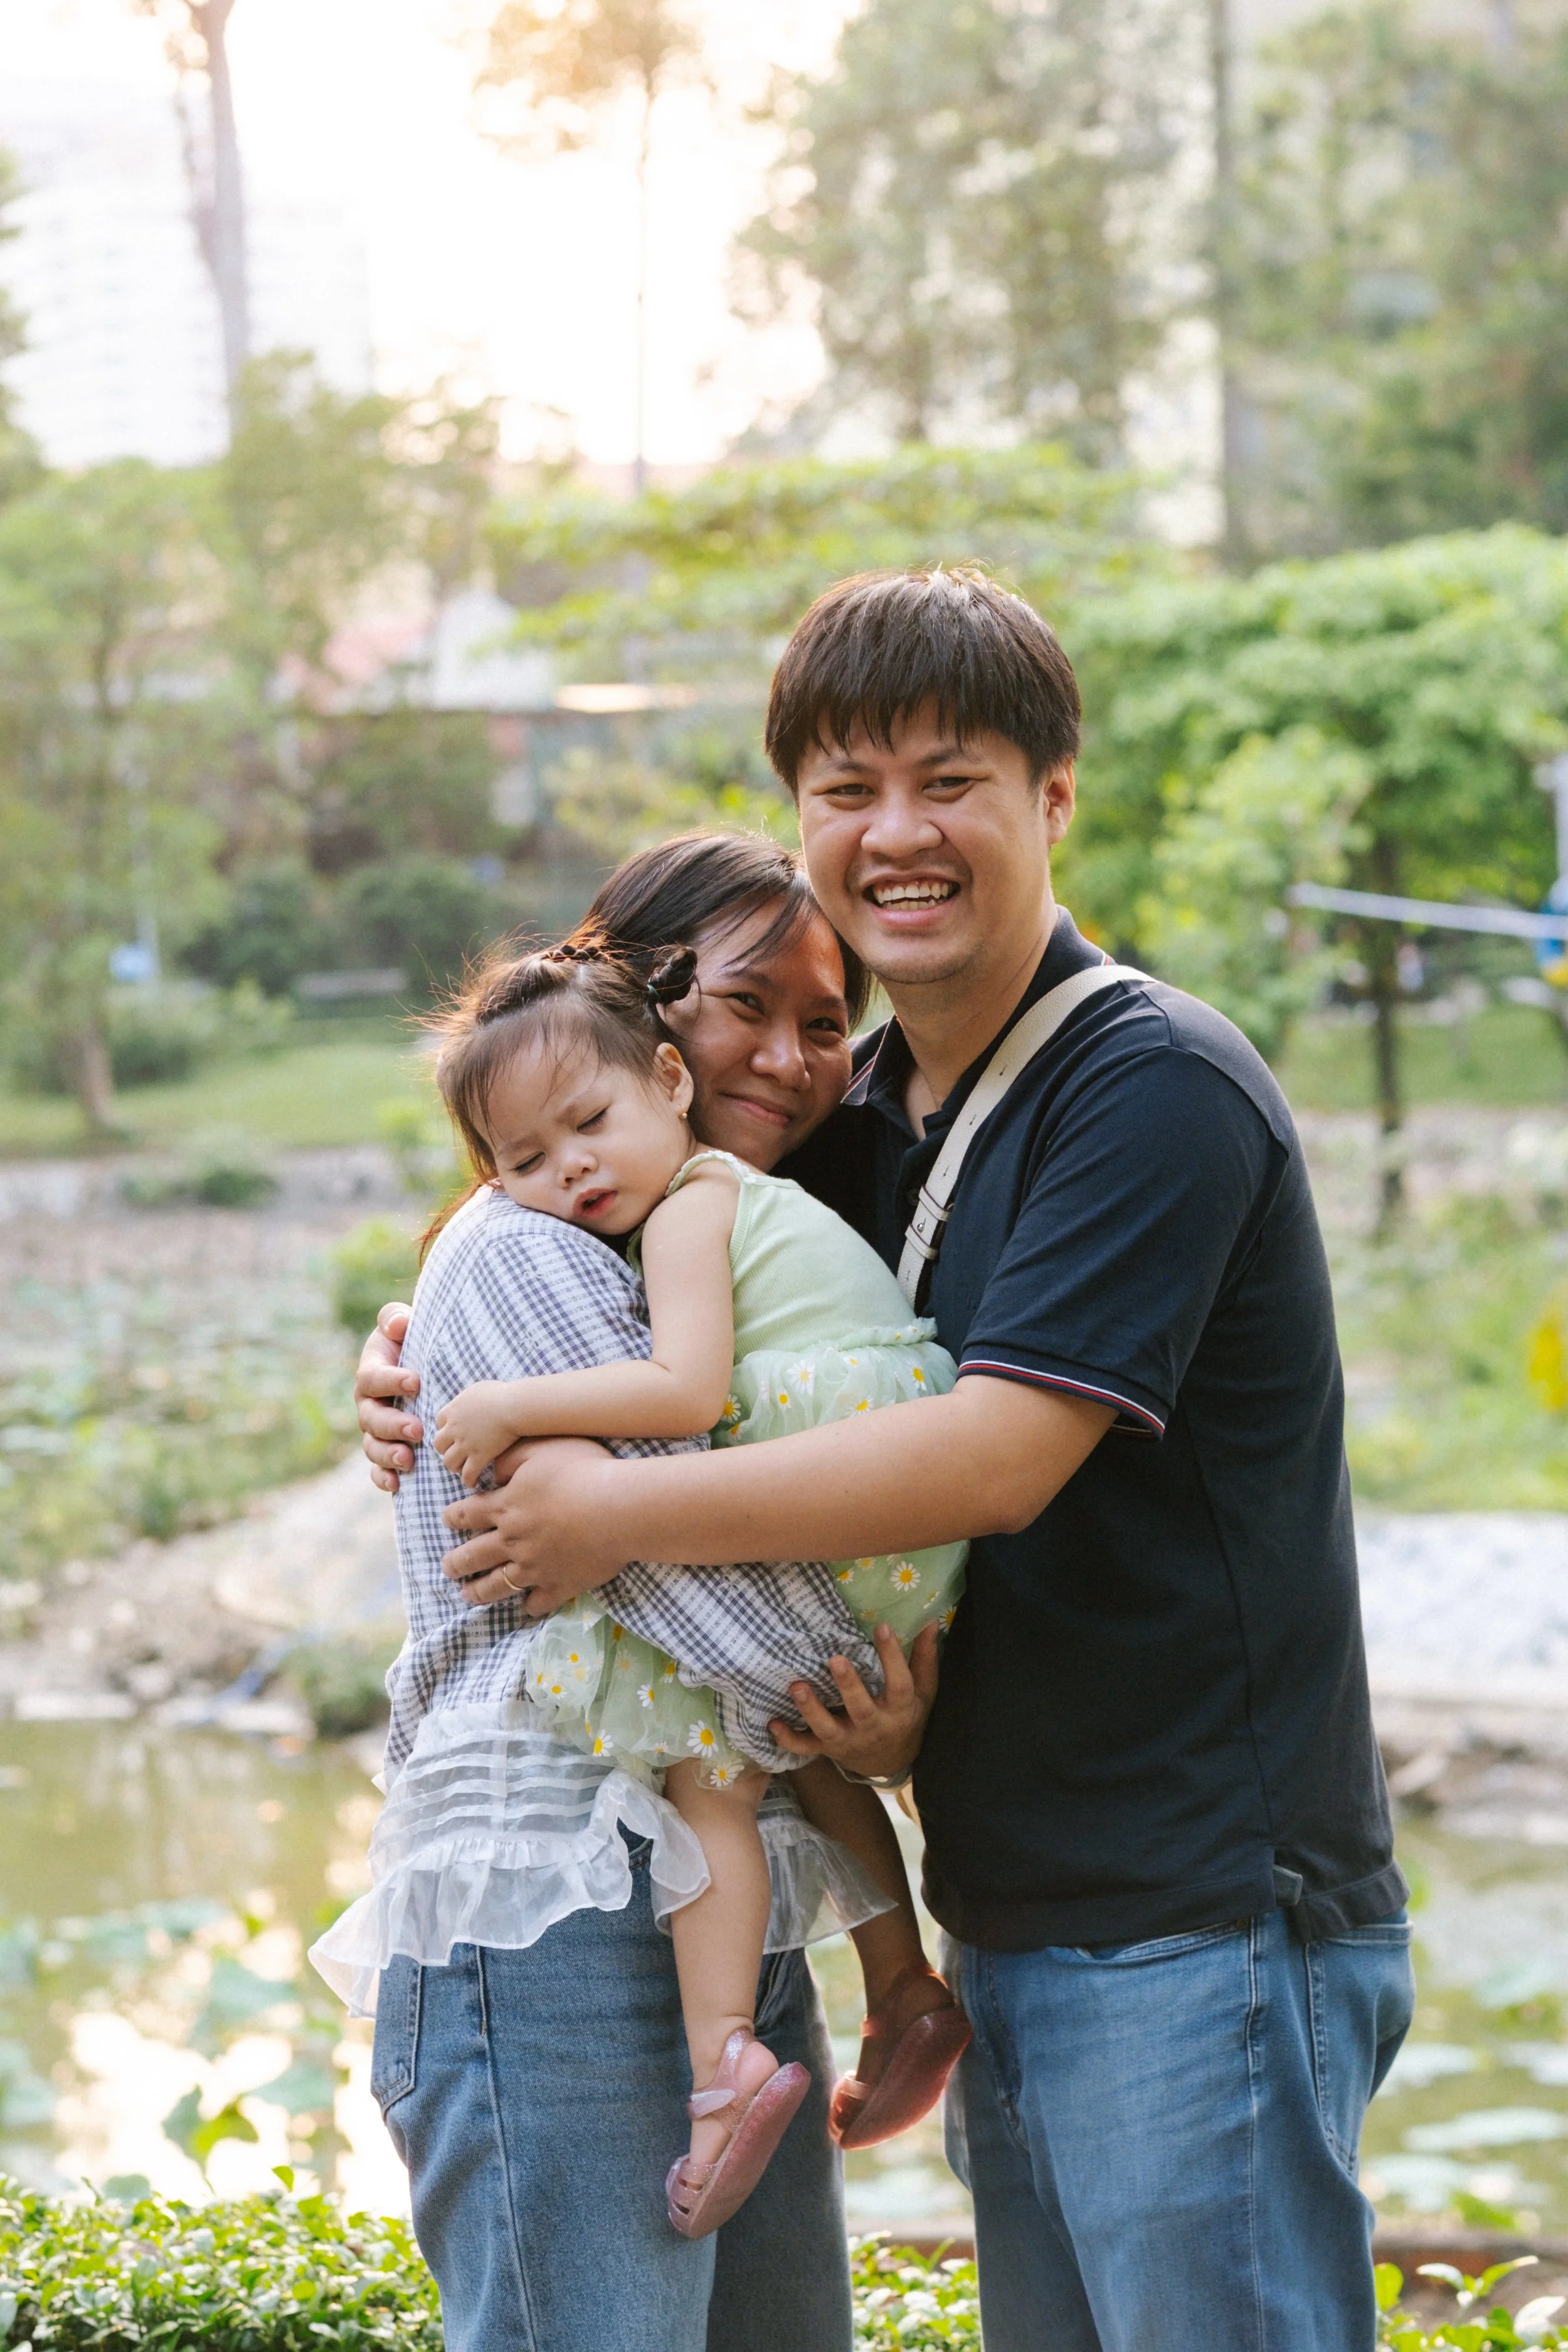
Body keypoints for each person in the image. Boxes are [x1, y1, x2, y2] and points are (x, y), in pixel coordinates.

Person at [374, 567, 1415, 2352]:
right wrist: (414, 1338)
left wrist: (603, 1498)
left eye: (951, 778)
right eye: (846, 788)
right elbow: (577, 1244)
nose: (896, 831)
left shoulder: (1145, 1081)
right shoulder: (854, 1126)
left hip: (1197, 1911)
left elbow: (996, 1454)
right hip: (1010, 1904)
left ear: (1054, 798)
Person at [344, 833, 892, 2352]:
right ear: (650, 1028)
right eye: (742, 1007)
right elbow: (666, 1574)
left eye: (824, 1018)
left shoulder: (709, 1233)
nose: (786, 1057)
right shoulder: (532, 1249)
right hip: (552, 1902)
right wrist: (874, 1705)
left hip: (704, 1893)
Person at [418, 938, 970, 2232]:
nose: (573, 1175)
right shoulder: (689, 1197)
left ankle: (722, 2063)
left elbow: (682, 1394)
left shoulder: (690, 1205)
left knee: (699, 1756)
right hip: (888, 1508)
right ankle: (901, 1980)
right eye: (527, 1164)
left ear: (668, 1080)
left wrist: (507, 1402)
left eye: (590, 1127)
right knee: (793, 1740)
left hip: (841, 1453)